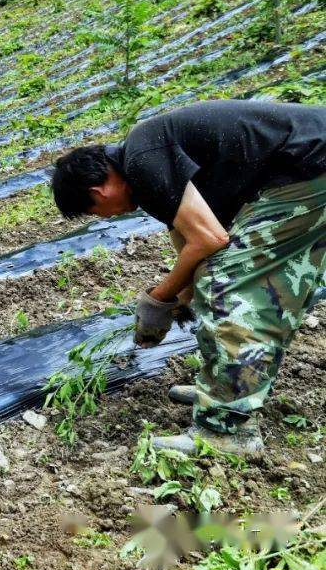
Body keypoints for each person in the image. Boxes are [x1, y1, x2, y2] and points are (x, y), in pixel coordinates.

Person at [50, 101, 326, 455]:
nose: (106, 217)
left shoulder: (142, 160)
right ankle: (230, 388)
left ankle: (228, 429)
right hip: (310, 162)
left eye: (96, 213)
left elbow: (210, 240)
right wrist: (181, 296)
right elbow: (189, 243)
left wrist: (158, 300)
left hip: (306, 164)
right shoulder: (145, 160)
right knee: (268, 284)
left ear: (97, 193)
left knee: (228, 283)